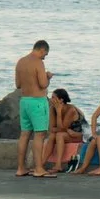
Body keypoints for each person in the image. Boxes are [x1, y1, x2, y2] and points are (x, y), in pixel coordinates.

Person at [14, 40, 53, 177]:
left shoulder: (20, 62)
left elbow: (18, 84)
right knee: (39, 134)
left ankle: (20, 168)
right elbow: (43, 84)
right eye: (45, 54)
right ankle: (39, 169)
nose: (44, 58)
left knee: (24, 134)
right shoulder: (38, 63)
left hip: (24, 101)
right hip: (37, 102)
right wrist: (48, 77)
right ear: (42, 50)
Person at [47, 87, 85, 171]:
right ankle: (41, 164)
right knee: (52, 136)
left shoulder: (70, 109)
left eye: (53, 97)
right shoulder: (52, 109)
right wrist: (60, 128)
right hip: (68, 133)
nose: (51, 99)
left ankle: (58, 165)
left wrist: (59, 112)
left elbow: (61, 128)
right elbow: (52, 129)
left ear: (61, 100)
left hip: (79, 135)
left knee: (59, 135)